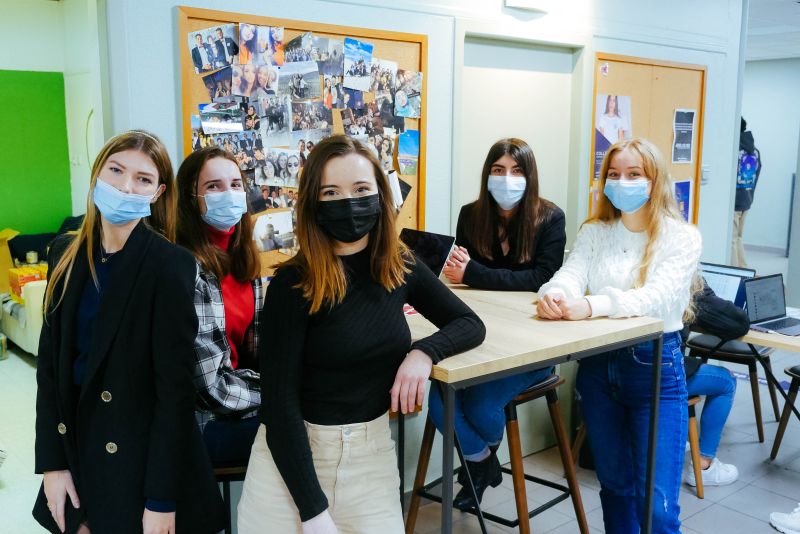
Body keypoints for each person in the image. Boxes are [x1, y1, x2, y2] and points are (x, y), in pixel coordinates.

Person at [237, 135, 485, 533]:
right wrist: (313, 512)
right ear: (313, 202)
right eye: (331, 192)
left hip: (370, 458)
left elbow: (469, 324)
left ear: (380, 196)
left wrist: (423, 353)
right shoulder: (292, 284)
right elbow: (280, 407)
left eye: (360, 189)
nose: (348, 202)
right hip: (290, 464)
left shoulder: (399, 265)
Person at [33, 130, 224, 534]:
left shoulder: (171, 265)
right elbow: (49, 370)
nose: (125, 186)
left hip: (142, 459)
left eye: (142, 178)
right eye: (116, 170)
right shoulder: (65, 253)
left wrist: (161, 499)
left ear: (157, 193)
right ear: (97, 174)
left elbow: (174, 392)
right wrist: (52, 463)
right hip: (79, 446)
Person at [537, 137, 702, 533]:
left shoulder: (681, 236)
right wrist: (554, 294)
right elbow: (571, 273)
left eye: (633, 174)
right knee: (615, 489)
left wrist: (592, 305)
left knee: (658, 509)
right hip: (598, 368)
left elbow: (658, 298)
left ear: (654, 181)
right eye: (613, 174)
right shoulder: (596, 231)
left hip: (655, 370)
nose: (621, 182)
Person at [430, 138, 566, 509]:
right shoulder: (470, 215)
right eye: (498, 170)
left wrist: (474, 272)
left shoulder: (550, 218)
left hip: (531, 344)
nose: (507, 178)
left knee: (477, 407)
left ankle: (475, 466)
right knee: (439, 401)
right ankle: (483, 462)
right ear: (487, 175)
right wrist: (465, 273)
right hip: (479, 338)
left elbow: (542, 278)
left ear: (530, 176)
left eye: (516, 171)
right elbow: (458, 275)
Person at [175, 147, 263, 466]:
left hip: (239, 404)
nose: (229, 194)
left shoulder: (244, 261)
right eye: (213, 186)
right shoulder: (187, 268)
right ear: (191, 198)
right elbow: (211, 390)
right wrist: (279, 393)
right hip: (203, 423)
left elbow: (257, 351)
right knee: (311, 431)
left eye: (236, 184)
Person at [680, 280, 747, 488]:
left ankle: (678, 438)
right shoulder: (682, 276)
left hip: (616, 372)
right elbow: (737, 323)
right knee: (726, 382)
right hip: (661, 375)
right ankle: (704, 465)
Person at [732, 117, 762, 268]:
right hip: (747, 199)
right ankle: (743, 269)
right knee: (738, 237)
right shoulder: (755, 151)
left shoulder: (734, 150)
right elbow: (757, 174)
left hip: (734, 202)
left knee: (732, 239)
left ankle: (734, 272)